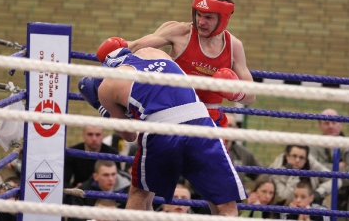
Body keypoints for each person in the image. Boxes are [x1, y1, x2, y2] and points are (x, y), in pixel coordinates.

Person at [91, 43, 246, 216]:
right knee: (226, 204)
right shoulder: (153, 52)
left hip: (161, 131)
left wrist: (106, 110)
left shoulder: (106, 87)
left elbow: (129, 135)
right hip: (200, 123)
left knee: (140, 196)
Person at [100, 0, 255, 128]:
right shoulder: (180, 33)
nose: (200, 22)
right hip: (172, 110)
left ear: (223, 19)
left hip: (209, 116)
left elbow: (251, 96)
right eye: (198, 15)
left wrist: (236, 93)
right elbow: (135, 46)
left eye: (208, 17)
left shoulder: (234, 46)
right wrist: (114, 50)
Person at [309, 109, 349, 220]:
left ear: (340, 124)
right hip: (320, 204)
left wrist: (323, 168)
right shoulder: (312, 146)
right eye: (326, 123)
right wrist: (340, 166)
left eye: (334, 122)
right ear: (319, 125)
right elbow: (312, 171)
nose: (330, 126)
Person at [269, 144, 341, 206]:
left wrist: (318, 193)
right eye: (294, 156)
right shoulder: (276, 169)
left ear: (306, 159)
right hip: (284, 208)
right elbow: (287, 197)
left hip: (310, 208)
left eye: (301, 157)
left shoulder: (311, 163)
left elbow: (337, 180)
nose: (297, 160)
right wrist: (293, 175)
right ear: (287, 156)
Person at [224, 113, 262, 184]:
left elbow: (262, 175)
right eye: (222, 124)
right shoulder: (207, 150)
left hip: (234, 194)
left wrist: (255, 192)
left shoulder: (243, 154)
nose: (226, 128)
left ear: (236, 129)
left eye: (229, 125)